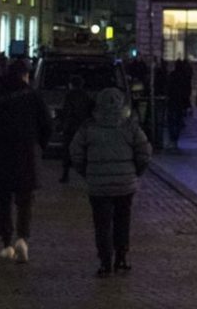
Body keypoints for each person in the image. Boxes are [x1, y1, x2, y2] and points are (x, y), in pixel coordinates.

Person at [69, 87, 152, 277]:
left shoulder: (88, 127)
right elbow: (145, 152)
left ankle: (105, 262)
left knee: (102, 224)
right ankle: (121, 257)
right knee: (123, 220)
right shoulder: (130, 126)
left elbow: (75, 152)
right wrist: (136, 171)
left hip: (98, 185)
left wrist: (87, 172)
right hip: (125, 183)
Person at [0, 62, 51, 263]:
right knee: (25, 199)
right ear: (25, 75)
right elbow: (46, 124)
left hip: (1, 153)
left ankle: (6, 242)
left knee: (3, 200)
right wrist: (39, 145)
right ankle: (23, 238)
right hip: (26, 152)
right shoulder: (33, 96)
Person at [56, 76, 94, 182]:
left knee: (67, 151)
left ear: (71, 84)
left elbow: (66, 112)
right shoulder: (86, 96)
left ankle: (65, 175)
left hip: (71, 128)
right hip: (83, 128)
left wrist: (61, 125)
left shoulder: (70, 96)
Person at [165, 60, 192, 151]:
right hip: (180, 101)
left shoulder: (172, 75)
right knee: (178, 120)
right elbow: (188, 90)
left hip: (173, 100)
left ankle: (173, 139)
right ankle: (175, 139)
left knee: (172, 121)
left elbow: (168, 87)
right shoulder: (185, 76)